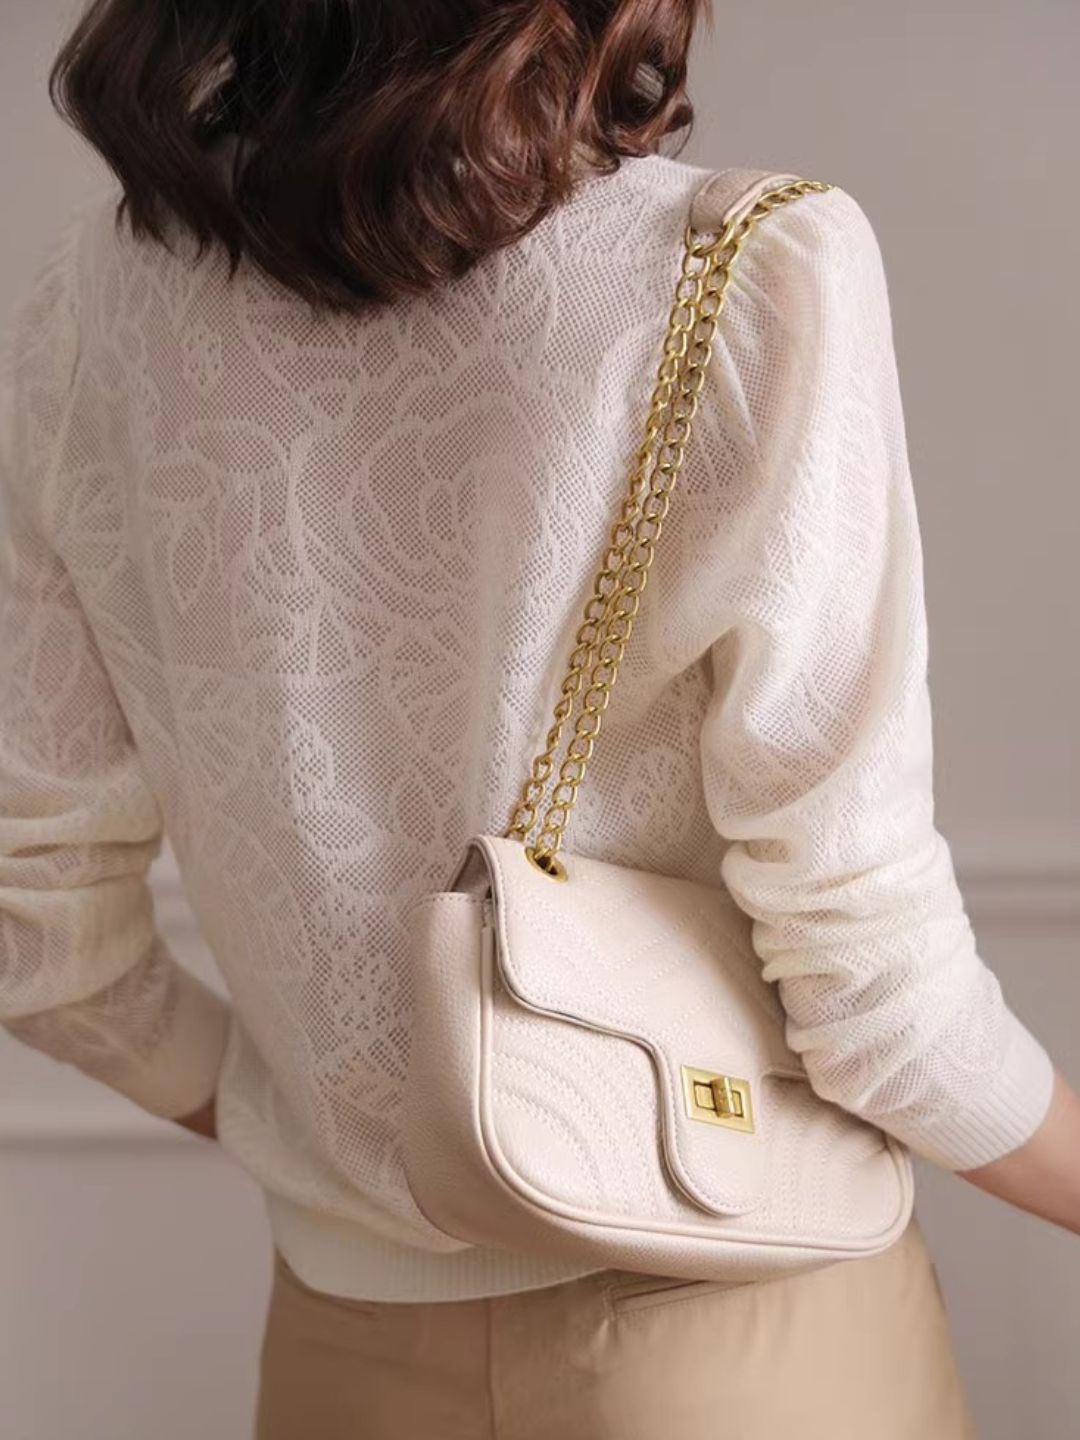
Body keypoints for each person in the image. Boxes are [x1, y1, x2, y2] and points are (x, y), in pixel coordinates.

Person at [1, 2, 1076, 1436]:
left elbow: (40, 938)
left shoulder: (85, 308)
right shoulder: (748, 267)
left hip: (342, 1354)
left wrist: (330, 1130)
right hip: (732, 1339)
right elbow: (877, 990)